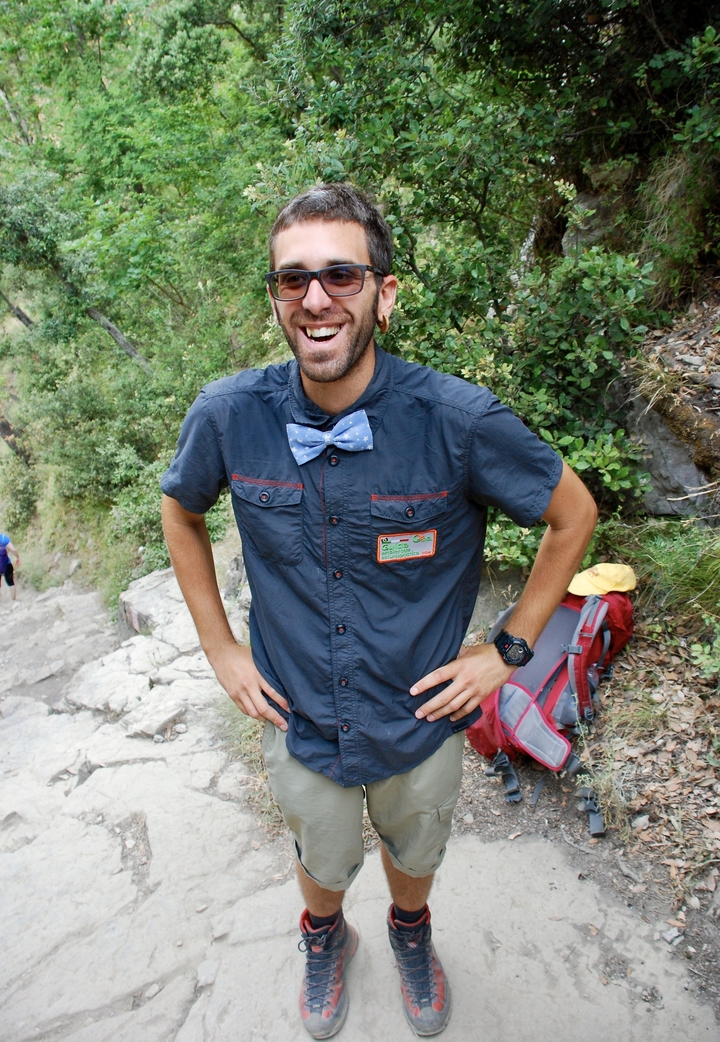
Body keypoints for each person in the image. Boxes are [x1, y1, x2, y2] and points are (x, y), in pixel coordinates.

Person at [161, 183, 597, 1039]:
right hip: (299, 713)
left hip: (422, 715)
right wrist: (219, 647)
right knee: (320, 855)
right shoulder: (226, 416)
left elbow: (573, 514)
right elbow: (180, 509)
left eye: (341, 275)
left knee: (416, 852)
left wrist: (507, 649)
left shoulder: (457, 421)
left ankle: (409, 930)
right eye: (293, 280)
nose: (316, 298)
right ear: (276, 299)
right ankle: (324, 938)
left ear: (384, 294)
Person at [0, 532, 20, 602]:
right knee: (10, 582)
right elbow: (13, 550)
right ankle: (14, 601)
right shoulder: (3, 537)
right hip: (6, 564)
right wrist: (18, 557)